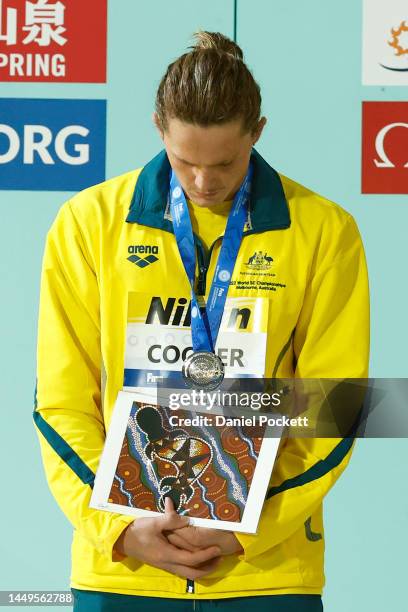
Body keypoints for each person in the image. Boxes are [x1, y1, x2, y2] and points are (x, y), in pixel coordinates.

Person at [33, 31, 369, 611]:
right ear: (158, 127)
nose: (204, 182)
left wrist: (246, 527)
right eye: (185, 161)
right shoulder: (87, 224)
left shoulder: (324, 231)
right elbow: (62, 400)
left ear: (258, 133)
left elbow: (335, 404)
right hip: (124, 568)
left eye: (226, 162)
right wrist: (116, 527)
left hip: (268, 571)